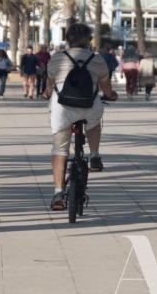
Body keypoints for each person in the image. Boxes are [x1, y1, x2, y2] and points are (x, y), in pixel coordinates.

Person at [43, 23, 119, 211]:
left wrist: (45, 94)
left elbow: (49, 87)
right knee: (94, 121)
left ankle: (58, 192)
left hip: (63, 110)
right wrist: (112, 96)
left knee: (60, 148)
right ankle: (94, 155)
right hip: (88, 106)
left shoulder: (56, 59)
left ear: (68, 39)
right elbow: (106, 89)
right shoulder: (97, 59)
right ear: (88, 40)